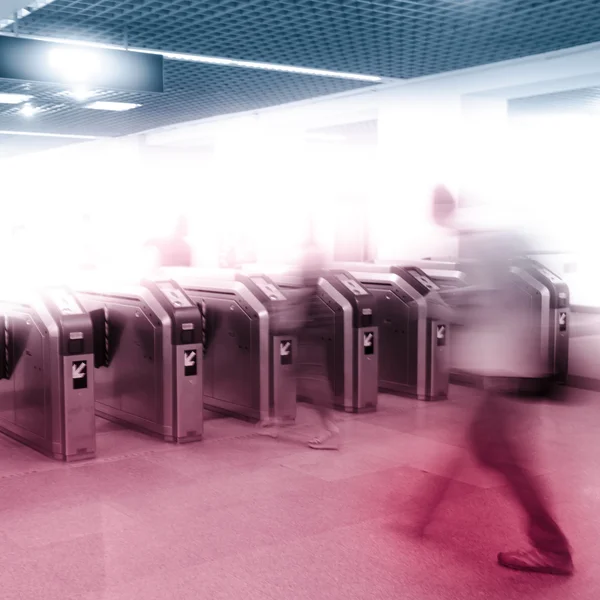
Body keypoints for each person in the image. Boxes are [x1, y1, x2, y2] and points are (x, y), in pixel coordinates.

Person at [418, 184, 573, 575]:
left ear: (444, 207)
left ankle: (552, 549)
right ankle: (548, 542)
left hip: (505, 366)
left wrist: (444, 305)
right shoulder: (488, 235)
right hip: (509, 362)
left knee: (504, 455)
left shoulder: (475, 239)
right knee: (489, 449)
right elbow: (495, 290)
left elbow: (487, 300)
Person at [259, 237, 341, 450]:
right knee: (291, 375)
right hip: (308, 330)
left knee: (313, 380)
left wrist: (290, 301)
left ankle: (328, 425)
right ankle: (278, 420)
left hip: (310, 330)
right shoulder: (311, 259)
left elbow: (308, 291)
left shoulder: (310, 261)